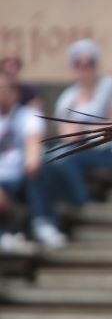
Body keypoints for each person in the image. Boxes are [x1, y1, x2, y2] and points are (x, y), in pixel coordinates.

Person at [51, 39, 112, 207]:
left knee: (65, 160)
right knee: (49, 159)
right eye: (79, 63)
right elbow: (64, 132)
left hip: (109, 151)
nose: (85, 68)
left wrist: (84, 131)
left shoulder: (110, 87)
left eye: (90, 63)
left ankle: (83, 204)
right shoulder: (69, 96)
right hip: (79, 148)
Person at [0, 72, 65, 248]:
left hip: (20, 178)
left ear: (15, 94)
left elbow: (33, 142)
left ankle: (43, 223)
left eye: (6, 89)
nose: (2, 93)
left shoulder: (26, 115)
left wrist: (32, 161)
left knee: (38, 167)